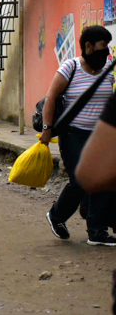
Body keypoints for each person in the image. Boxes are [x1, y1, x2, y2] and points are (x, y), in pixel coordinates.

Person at [42, 26, 115, 246]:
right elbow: (51, 98)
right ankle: (56, 215)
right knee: (80, 181)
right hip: (73, 133)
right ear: (89, 47)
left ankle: (97, 231)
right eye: (103, 46)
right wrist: (46, 129)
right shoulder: (70, 68)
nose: (107, 51)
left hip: (100, 135)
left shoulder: (107, 73)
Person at [76, 91, 116, 192]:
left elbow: (90, 175)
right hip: (76, 132)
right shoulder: (67, 74)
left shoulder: (109, 77)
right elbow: (51, 97)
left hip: (100, 132)